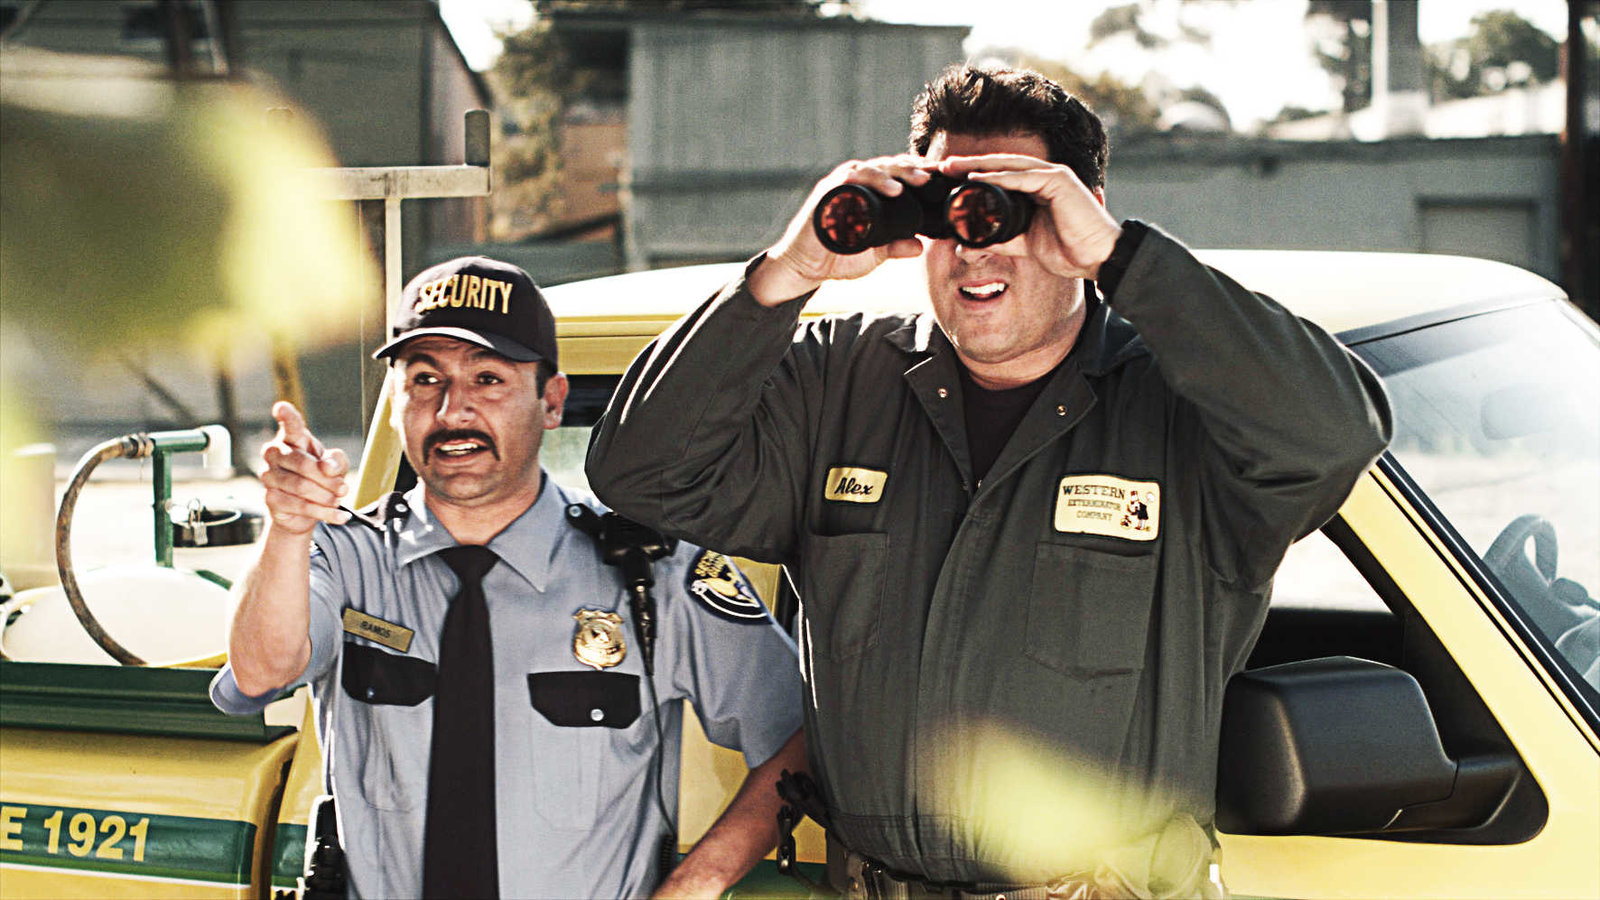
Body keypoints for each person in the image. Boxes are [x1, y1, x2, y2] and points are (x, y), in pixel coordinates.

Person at [586, 65, 1392, 898]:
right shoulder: (840, 383)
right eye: (948, 210)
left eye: (1009, 208)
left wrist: (1122, 259)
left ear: (1079, 213)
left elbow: (1334, 437)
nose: (975, 245)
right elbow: (642, 471)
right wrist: (788, 270)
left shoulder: (1183, 410)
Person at [211, 256, 807, 899]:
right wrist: (289, 528)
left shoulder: (650, 571)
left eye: (488, 379)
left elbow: (802, 738)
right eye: (425, 379)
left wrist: (699, 882)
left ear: (551, 402)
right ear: (396, 404)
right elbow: (261, 672)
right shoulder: (343, 555)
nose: (453, 409)